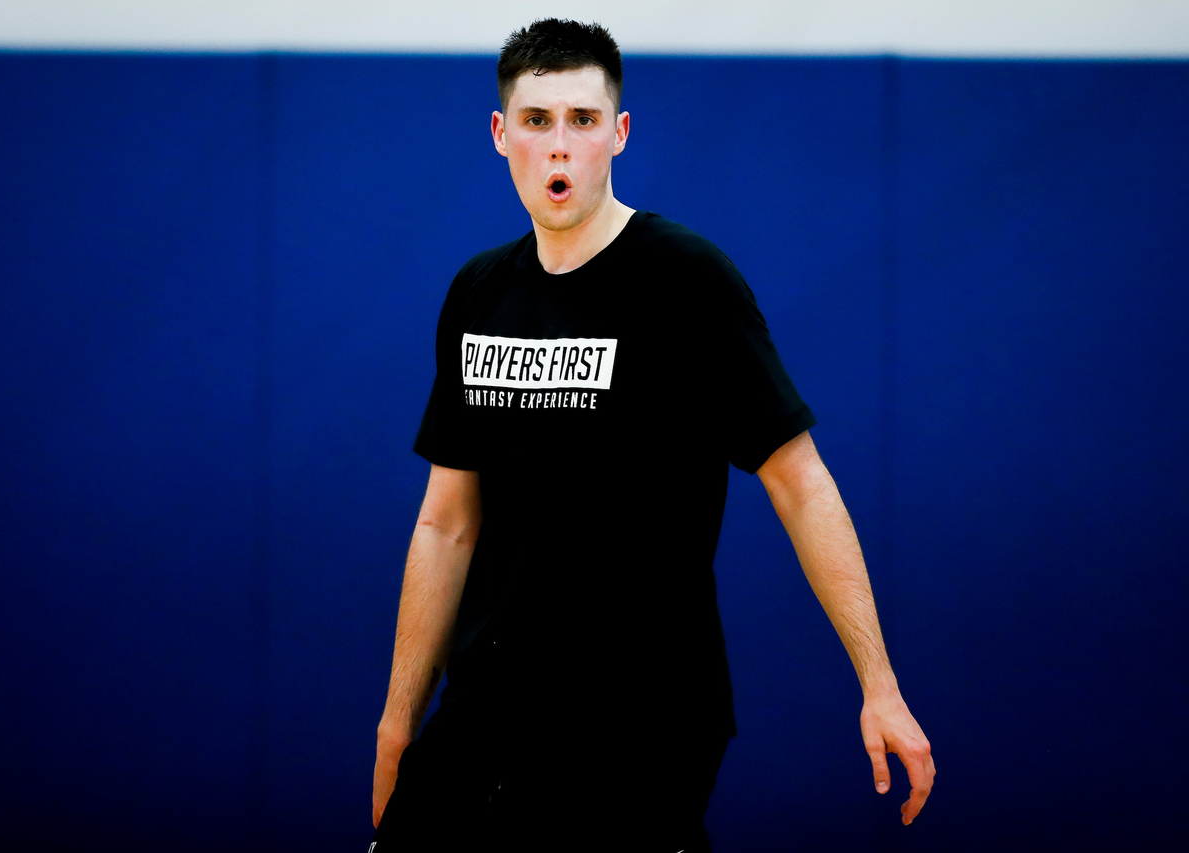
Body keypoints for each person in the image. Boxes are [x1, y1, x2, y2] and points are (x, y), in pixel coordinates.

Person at [371, 18, 934, 852]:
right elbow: (445, 519)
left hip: (641, 715)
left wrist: (878, 681)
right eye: (536, 121)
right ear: (500, 135)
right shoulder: (478, 291)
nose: (558, 146)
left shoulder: (686, 277)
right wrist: (397, 718)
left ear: (618, 134)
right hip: (486, 706)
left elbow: (800, 480)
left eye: (582, 120)